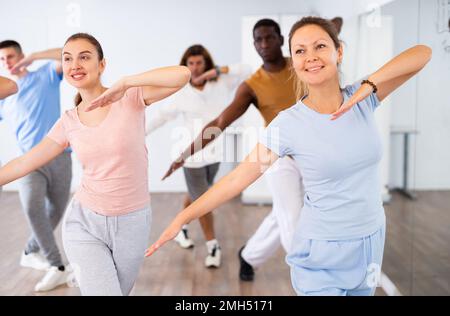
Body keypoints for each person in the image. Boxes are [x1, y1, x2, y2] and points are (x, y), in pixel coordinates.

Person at [145, 17, 432, 296]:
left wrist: (370, 84)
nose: (311, 57)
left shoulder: (364, 98)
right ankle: (253, 256)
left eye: (320, 46)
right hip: (322, 253)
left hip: (370, 243)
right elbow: (236, 180)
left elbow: (422, 53)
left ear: (339, 51)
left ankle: (251, 254)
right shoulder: (287, 123)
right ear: (293, 61)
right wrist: (182, 217)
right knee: (285, 215)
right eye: (300, 51)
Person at [0, 33, 191, 296]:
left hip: (133, 221)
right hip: (84, 223)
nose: (74, 64)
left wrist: (125, 82)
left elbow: (182, 75)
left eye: (84, 57)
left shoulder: (131, 97)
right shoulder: (68, 121)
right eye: (67, 59)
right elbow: (24, 162)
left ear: (102, 65)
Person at [160, 18, 309, 282]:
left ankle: (249, 256)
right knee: (292, 217)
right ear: (254, 44)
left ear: (281, 39)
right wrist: (185, 154)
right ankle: (309, 277)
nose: (264, 44)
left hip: (311, 154)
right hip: (278, 158)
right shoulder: (251, 85)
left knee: (284, 213)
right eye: (258, 40)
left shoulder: (302, 66)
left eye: (269, 37)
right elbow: (219, 123)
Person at [146, 44, 252, 268]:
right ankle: (213, 246)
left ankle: (181, 229)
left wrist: (220, 71)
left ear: (206, 64)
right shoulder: (181, 92)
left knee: (197, 194)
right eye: (190, 64)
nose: (194, 68)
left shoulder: (221, 82)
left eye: (199, 63)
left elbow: (247, 68)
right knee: (204, 201)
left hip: (215, 153)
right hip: (190, 156)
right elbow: (160, 118)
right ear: (185, 66)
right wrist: (137, 134)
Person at [0, 40, 73, 291]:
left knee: (56, 210)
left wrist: (36, 56)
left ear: (20, 56)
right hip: (28, 162)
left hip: (60, 156)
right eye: (1, 59)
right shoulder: (4, 96)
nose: (6, 62)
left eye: (10, 56)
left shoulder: (45, 76)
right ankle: (57, 265)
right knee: (33, 209)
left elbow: (67, 55)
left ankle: (30, 250)